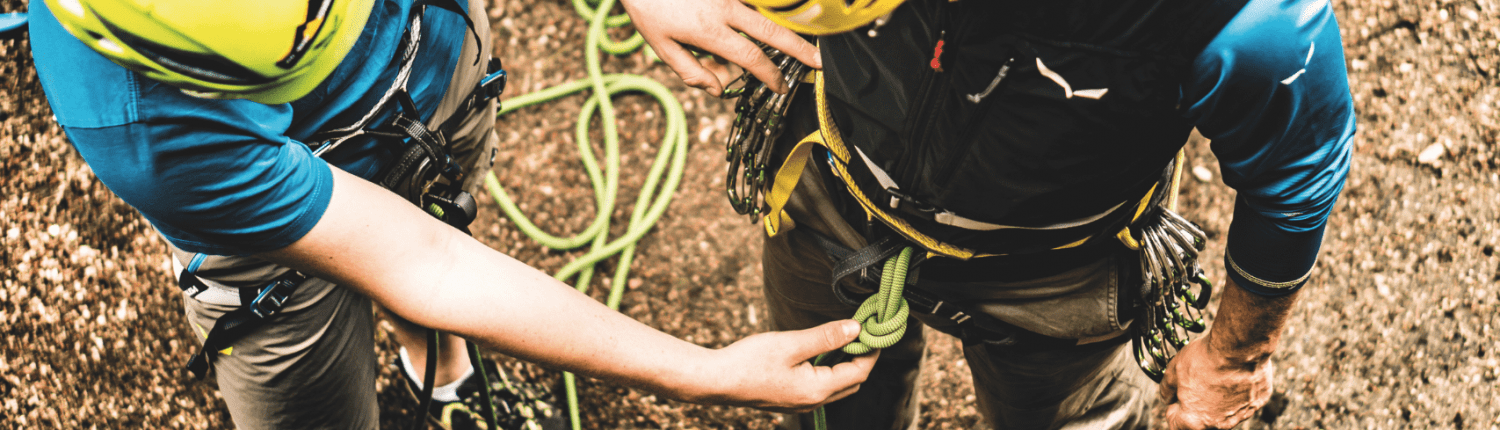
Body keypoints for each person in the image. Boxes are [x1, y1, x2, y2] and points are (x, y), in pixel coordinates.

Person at [27, 0, 879, 428]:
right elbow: (419, 262)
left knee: (438, 235)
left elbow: (432, 256)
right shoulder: (142, 124)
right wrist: (703, 371)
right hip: (268, 263)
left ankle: (438, 368)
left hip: (440, 73)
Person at [623, 0, 1355, 428]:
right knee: (825, 401)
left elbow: (1294, 181)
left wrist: (1234, 360)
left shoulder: (1257, 25)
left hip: (1062, 273)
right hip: (830, 189)